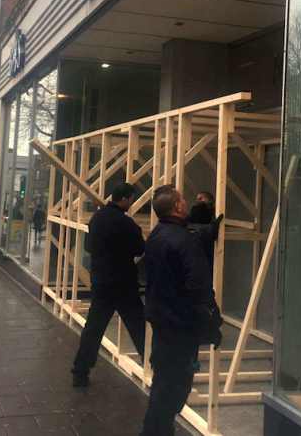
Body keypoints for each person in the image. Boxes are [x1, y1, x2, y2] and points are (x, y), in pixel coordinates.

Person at [140, 185, 223, 436]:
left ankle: (160, 430)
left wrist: (208, 231)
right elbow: (198, 287)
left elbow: (182, 247)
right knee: (172, 387)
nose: (186, 203)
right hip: (180, 327)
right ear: (178, 206)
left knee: (165, 382)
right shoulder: (183, 241)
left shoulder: (156, 235)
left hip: (163, 320)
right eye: (184, 200)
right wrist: (212, 324)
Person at [71, 182, 146, 387]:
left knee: (94, 328)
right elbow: (140, 249)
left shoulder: (96, 218)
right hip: (123, 282)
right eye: (130, 200)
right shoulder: (126, 223)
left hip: (101, 281)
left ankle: (80, 369)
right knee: (138, 325)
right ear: (124, 200)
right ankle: (153, 365)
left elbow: (88, 246)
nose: (130, 204)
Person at [186, 191, 221, 274]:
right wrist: (202, 205)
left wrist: (203, 205)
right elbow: (192, 218)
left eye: (201, 199)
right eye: (197, 199)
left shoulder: (213, 212)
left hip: (207, 247)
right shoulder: (197, 210)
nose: (198, 201)